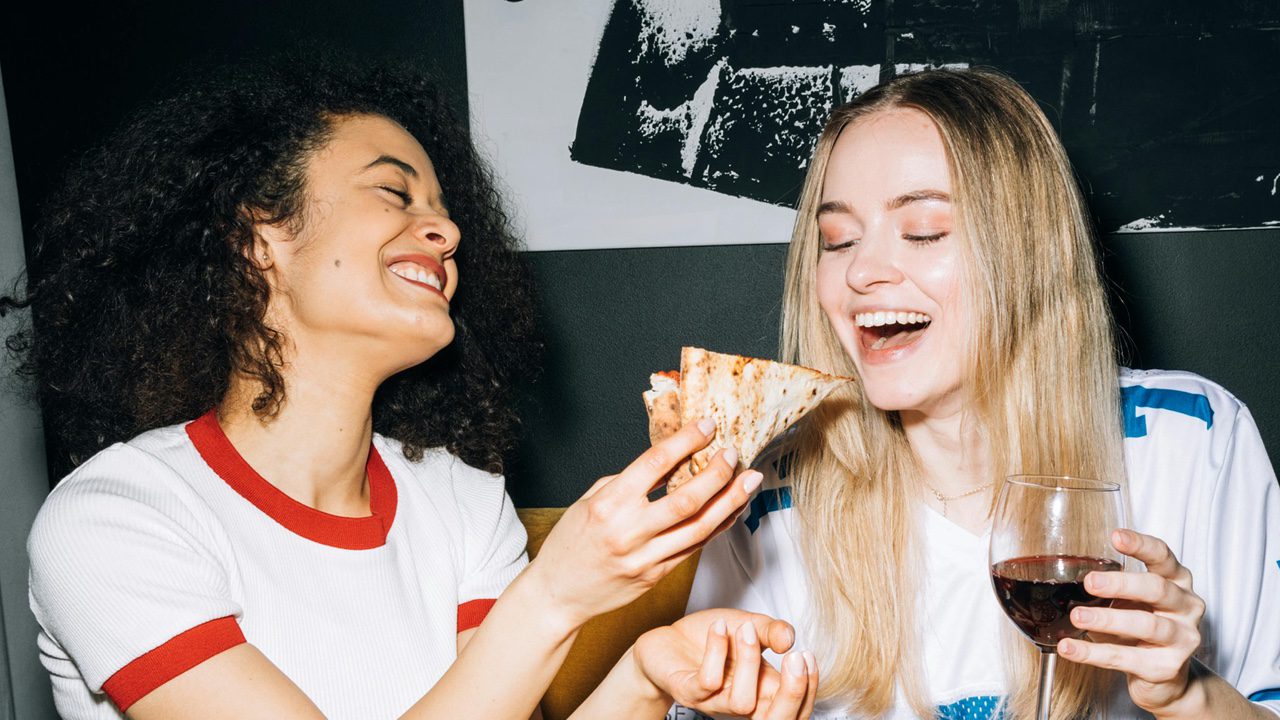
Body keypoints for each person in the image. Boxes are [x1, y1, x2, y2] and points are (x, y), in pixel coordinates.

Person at [1, 56, 820, 719]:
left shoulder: (458, 501)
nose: (449, 230)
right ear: (258, 238)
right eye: (395, 192)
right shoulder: (116, 516)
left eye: (444, 209)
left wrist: (643, 680)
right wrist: (554, 595)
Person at [679, 68, 1280, 719]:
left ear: (1028, 250)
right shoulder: (758, 505)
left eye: (924, 231)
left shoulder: (1192, 441)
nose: (860, 271)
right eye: (838, 240)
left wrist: (1189, 695)